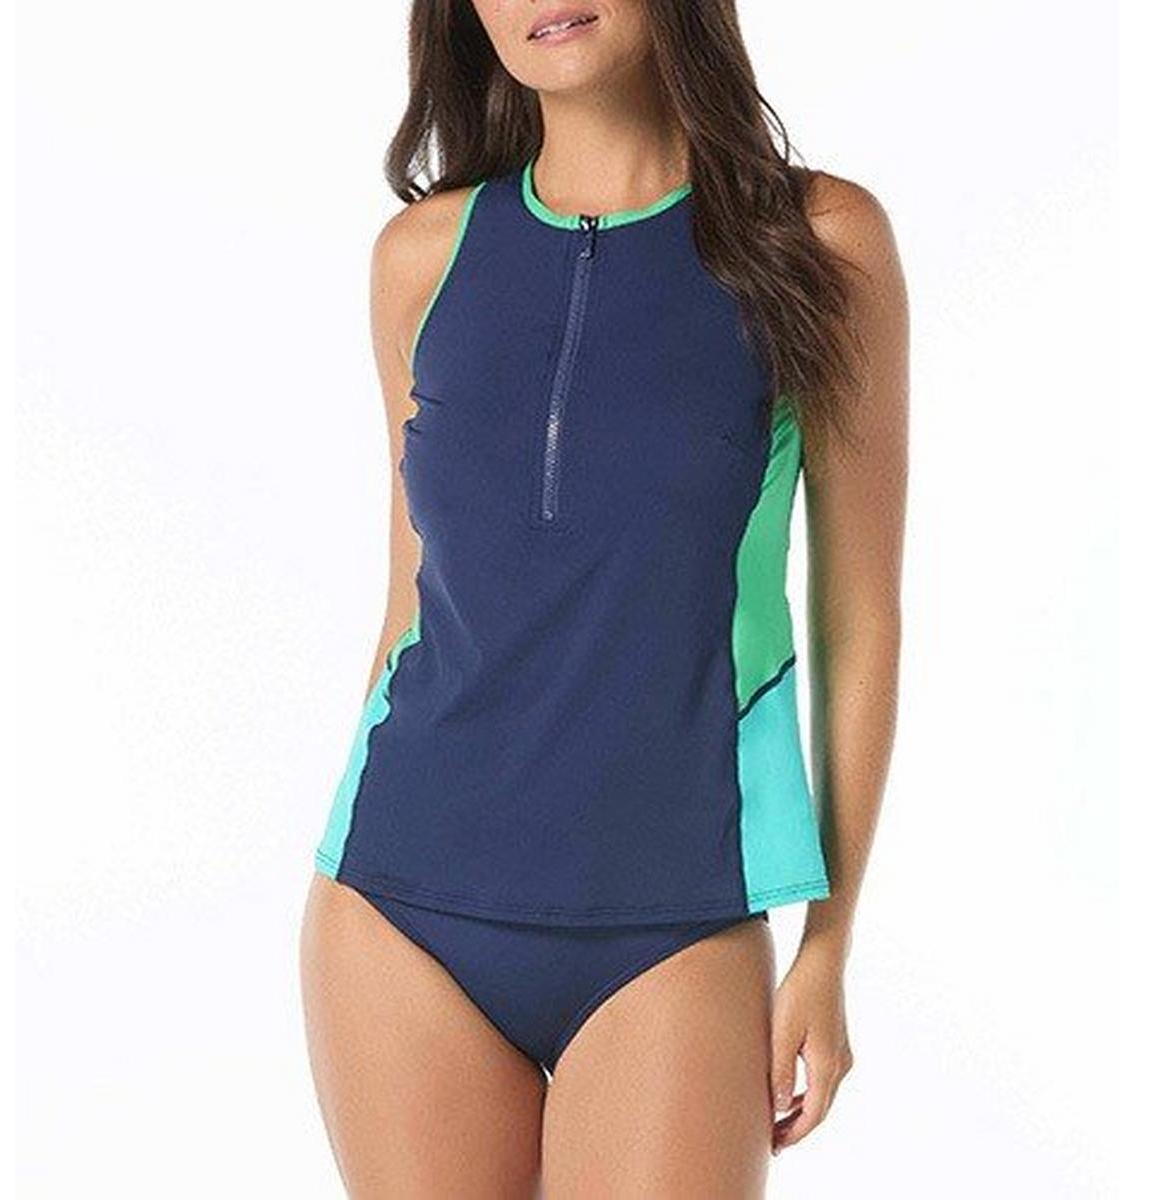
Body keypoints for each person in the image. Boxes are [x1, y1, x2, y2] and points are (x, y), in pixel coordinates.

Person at [300, 1, 908, 1195]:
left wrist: (828, 946)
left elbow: (861, 621)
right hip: (398, 911)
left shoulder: (819, 243)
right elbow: (412, 603)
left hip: (676, 922)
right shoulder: (422, 258)